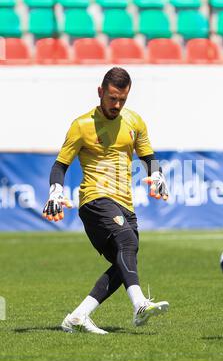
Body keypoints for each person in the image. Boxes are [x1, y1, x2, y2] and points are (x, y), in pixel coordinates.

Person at [42, 67, 169, 334]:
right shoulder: (81, 125)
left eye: (122, 99)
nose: (117, 104)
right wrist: (55, 191)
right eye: (112, 98)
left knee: (126, 261)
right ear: (100, 92)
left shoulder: (134, 122)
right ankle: (139, 305)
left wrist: (157, 175)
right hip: (95, 199)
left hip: (125, 202)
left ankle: (77, 317)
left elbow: (148, 156)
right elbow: (60, 165)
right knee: (127, 242)